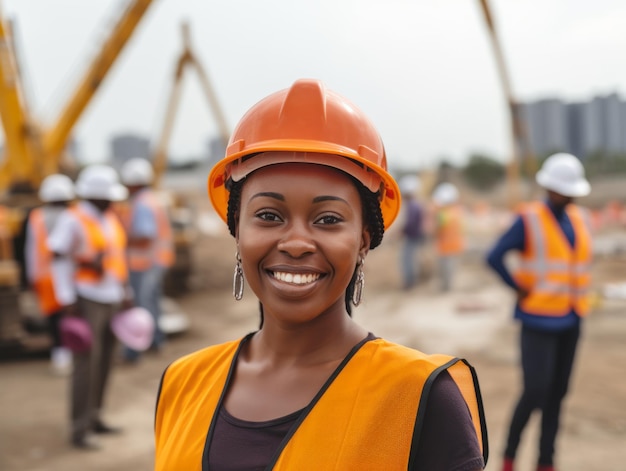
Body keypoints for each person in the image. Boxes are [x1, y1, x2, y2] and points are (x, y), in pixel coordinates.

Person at [154, 79, 488, 470]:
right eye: (268, 216)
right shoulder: (182, 383)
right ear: (237, 230)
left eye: (328, 219)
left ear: (363, 240)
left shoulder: (420, 400)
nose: (296, 243)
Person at [485, 153, 592, 471]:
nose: (570, 196)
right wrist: (516, 285)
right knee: (535, 391)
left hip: (572, 317)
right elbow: (494, 256)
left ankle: (546, 461)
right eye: (565, 190)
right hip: (538, 318)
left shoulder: (579, 218)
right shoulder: (529, 219)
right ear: (550, 188)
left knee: (558, 394)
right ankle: (509, 457)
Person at [47, 164, 131, 450]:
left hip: (110, 295)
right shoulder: (73, 219)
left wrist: (125, 290)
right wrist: (66, 298)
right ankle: (79, 428)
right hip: (85, 299)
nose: (112, 201)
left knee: (106, 360)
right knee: (86, 364)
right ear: (94, 196)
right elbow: (58, 258)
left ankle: (96, 417)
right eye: (107, 196)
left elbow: (116, 258)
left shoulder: (109, 218)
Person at [119, 157, 174, 362]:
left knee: (141, 304)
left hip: (145, 262)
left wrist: (119, 241)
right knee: (151, 301)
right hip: (156, 260)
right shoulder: (151, 199)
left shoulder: (141, 204)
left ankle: (136, 348)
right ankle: (156, 341)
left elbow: (144, 236)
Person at [24, 174, 75, 375]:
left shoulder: (36, 217)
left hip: (45, 276)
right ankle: (73, 350)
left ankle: (60, 355)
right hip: (71, 276)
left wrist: (31, 275)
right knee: (72, 315)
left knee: (54, 317)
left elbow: (30, 249)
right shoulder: (75, 215)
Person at [432, 181, 464, 291]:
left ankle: (446, 288)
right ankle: (448, 286)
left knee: (445, 269)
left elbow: (438, 229)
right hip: (456, 245)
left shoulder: (442, 213)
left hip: (445, 246)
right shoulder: (457, 211)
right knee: (451, 268)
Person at [398, 174, 425, 290]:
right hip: (416, 236)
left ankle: (409, 283)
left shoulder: (412, 206)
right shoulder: (416, 204)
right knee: (411, 258)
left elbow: (411, 223)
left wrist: (402, 231)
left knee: (407, 259)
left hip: (412, 236)